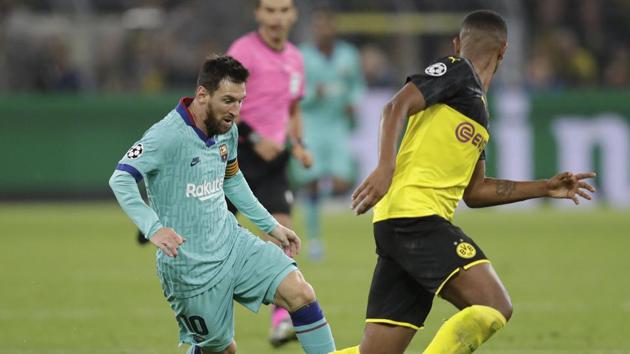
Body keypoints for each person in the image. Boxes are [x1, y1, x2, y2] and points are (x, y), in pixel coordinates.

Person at [334, 10, 596, 354]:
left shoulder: (477, 108)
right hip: (416, 218)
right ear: (504, 51)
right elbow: (394, 107)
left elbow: (475, 191)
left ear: (457, 41)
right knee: (494, 306)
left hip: (400, 223)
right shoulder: (457, 70)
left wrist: (544, 187)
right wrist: (386, 165)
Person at [109, 55, 335, 354]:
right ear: (202, 95)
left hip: (232, 244)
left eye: (241, 101)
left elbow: (232, 178)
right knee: (222, 350)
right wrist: (153, 228)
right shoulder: (165, 136)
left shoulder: (227, 127)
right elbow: (120, 179)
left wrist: (271, 226)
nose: (235, 110)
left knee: (300, 293)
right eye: (228, 100)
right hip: (189, 268)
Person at [226, 0, 312, 347]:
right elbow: (223, 101)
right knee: (212, 242)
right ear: (258, 14)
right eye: (270, 10)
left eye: (283, 10)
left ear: (293, 15)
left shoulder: (295, 57)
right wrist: (255, 137)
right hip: (236, 155)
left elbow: (291, 107)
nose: (277, 17)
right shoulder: (243, 51)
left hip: (275, 162)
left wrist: (300, 143)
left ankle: (280, 321)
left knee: (282, 236)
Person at [290, 5, 366, 260]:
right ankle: (314, 239)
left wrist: (353, 101)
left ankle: (313, 192)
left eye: (328, 24)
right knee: (311, 180)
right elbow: (294, 92)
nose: (324, 29)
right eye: (319, 25)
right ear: (313, 28)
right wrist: (314, 93)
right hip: (311, 123)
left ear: (334, 27)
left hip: (337, 126)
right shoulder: (302, 56)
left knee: (343, 181)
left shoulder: (348, 54)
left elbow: (357, 85)